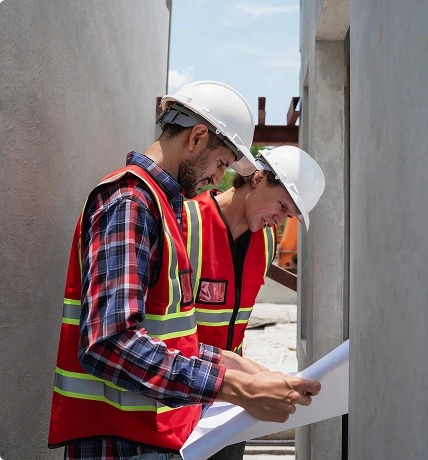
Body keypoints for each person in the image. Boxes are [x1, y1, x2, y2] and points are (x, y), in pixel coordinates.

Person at [48, 81, 321, 460]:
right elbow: (110, 343)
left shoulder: (158, 206)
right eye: (222, 163)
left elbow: (172, 338)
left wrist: (243, 371)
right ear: (196, 138)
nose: (217, 178)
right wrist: (235, 387)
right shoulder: (130, 203)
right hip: (117, 438)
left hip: (155, 428)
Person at [182, 145, 325, 459]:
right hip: (181, 394)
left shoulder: (268, 240)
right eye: (282, 205)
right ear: (258, 178)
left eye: (288, 215)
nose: (280, 220)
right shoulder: (186, 223)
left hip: (232, 402)